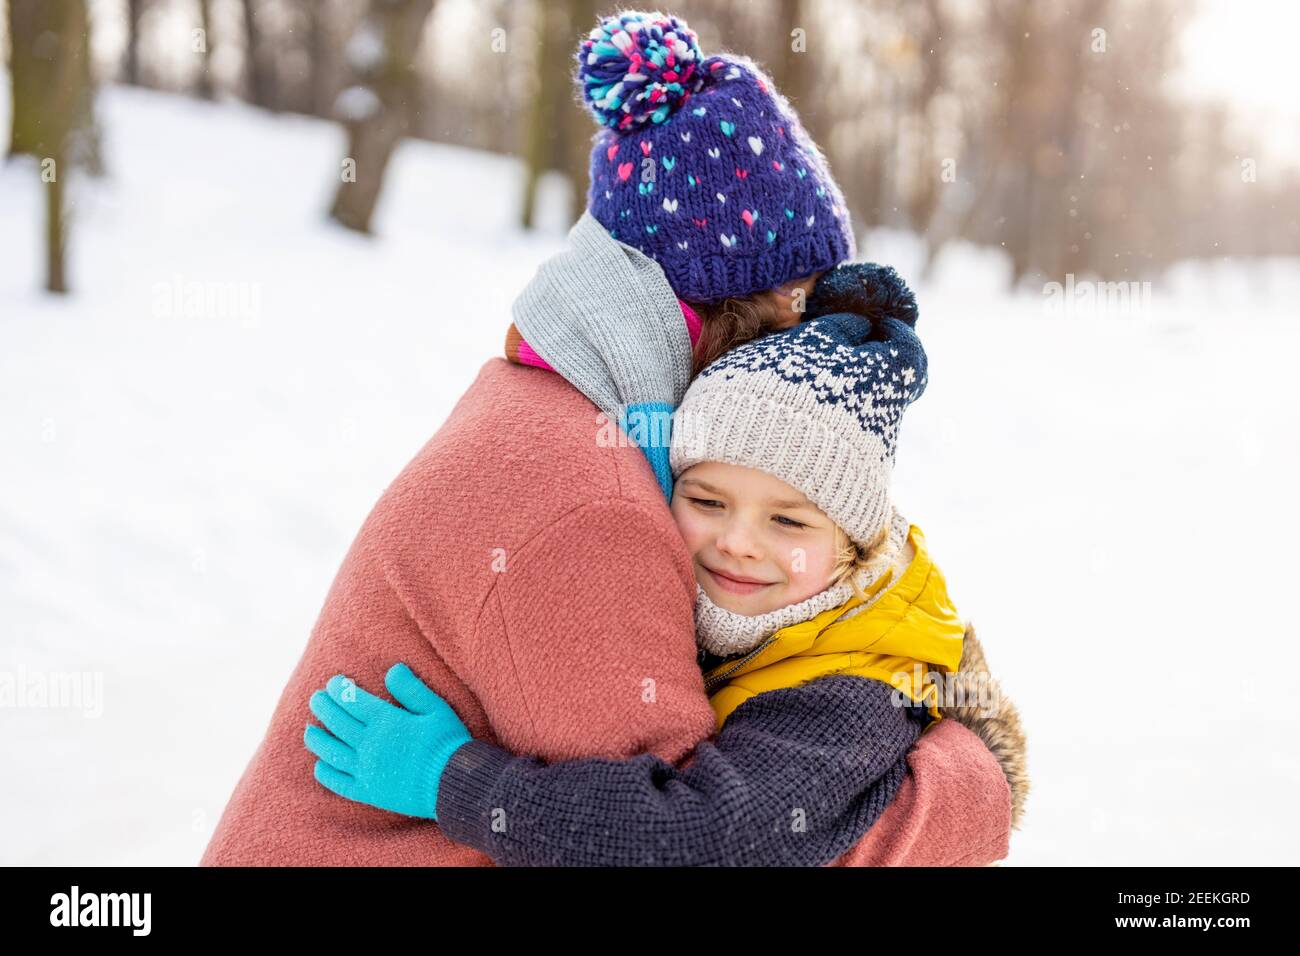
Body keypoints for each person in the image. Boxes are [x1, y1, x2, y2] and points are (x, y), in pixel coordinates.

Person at [200, 10, 1018, 867]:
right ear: (721, 303)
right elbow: (688, 842)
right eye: (800, 305)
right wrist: (963, 787)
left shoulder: (548, 412)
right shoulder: (590, 504)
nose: (805, 343)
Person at [306, 290, 985, 865]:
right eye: (708, 501)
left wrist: (452, 781)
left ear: (853, 545)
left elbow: (697, 837)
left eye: (788, 522)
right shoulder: (773, 622)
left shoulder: (850, 695)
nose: (738, 544)